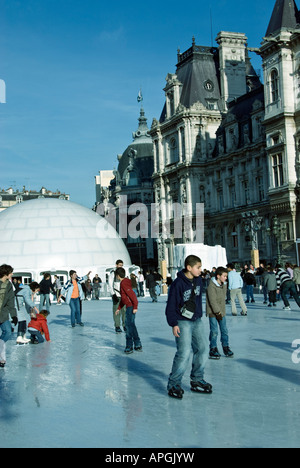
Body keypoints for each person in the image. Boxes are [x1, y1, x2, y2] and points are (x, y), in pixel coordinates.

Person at [165, 255, 212, 399]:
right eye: (198, 267)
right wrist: (173, 323)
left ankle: (197, 379)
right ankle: (174, 383)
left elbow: (197, 299)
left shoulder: (198, 280)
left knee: (203, 348)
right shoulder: (178, 284)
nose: (200, 270)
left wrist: (199, 313)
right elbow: (171, 305)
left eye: (201, 267)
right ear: (189, 268)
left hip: (196, 320)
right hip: (182, 321)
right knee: (184, 352)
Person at [206, 267, 234, 359]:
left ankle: (226, 347)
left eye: (226, 276)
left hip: (221, 311)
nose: (226, 278)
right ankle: (213, 348)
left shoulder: (224, 285)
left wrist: (221, 312)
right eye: (224, 276)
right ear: (218, 276)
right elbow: (212, 300)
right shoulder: (211, 286)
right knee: (214, 331)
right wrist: (217, 312)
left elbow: (223, 299)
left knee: (224, 330)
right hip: (213, 312)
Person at [115, 267, 142, 354]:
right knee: (132, 325)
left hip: (130, 307)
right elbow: (124, 298)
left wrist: (135, 307)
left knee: (128, 326)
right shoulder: (124, 282)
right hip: (129, 306)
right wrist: (119, 308)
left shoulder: (124, 283)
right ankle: (137, 344)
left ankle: (129, 345)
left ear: (118, 275)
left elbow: (132, 295)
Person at [0, 265, 18, 367]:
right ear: (5, 273)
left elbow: (11, 301)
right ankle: (1, 358)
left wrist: (14, 315)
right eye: (11, 273)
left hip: (3, 314)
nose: (12, 274)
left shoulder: (9, 285)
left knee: (7, 332)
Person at [108, 260, 126, 333]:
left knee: (124, 311)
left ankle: (125, 325)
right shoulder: (113, 273)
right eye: (119, 265)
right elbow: (110, 284)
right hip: (116, 295)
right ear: (116, 265)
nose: (120, 266)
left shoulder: (123, 273)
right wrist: (113, 294)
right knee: (116, 311)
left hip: (123, 295)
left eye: (122, 265)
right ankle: (117, 326)